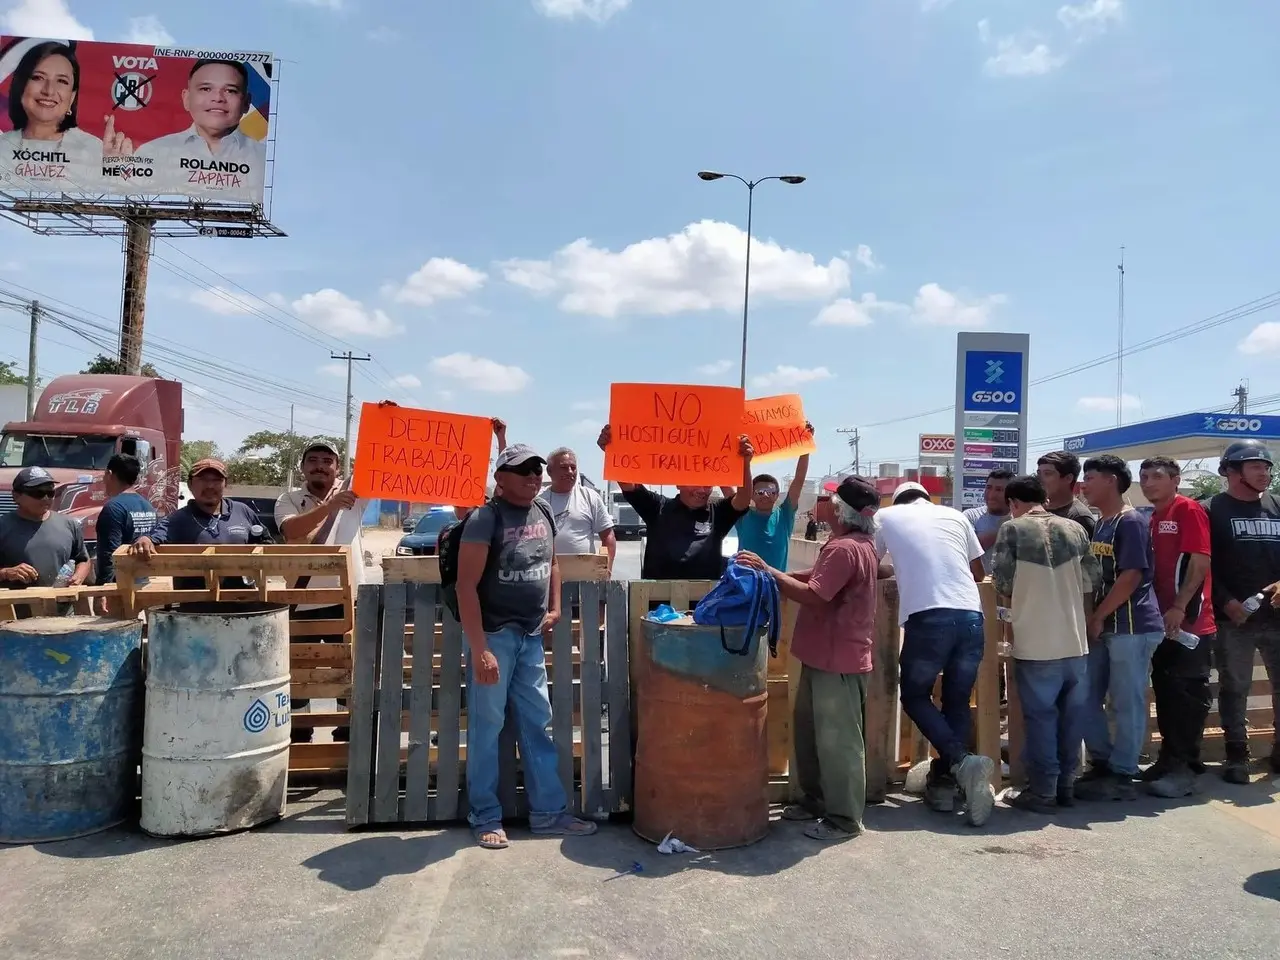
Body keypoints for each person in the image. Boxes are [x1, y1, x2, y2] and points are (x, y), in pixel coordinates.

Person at [456, 443, 597, 849]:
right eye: (523, 471)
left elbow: (551, 562)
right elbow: (466, 586)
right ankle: (484, 815)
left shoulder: (544, 511)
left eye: (537, 470)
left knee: (538, 722)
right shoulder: (484, 518)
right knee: (487, 728)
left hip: (531, 635)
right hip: (495, 637)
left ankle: (548, 813)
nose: (534, 476)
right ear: (500, 478)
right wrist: (480, 648)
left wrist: (554, 607)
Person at [737, 475, 881, 842]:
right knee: (811, 734)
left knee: (839, 743)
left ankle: (845, 818)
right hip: (826, 655)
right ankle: (815, 801)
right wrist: (777, 574)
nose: (826, 508)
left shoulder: (844, 548)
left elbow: (816, 594)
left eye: (832, 504)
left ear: (839, 510)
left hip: (838, 658)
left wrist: (767, 571)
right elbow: (818, 577)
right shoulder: (857, 544)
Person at [875, 480, 995, 826]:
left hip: (929, 618)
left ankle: (961, 761)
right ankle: (945, 783)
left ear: (898, 500)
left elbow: (870, 564)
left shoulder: (886, 516)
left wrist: (900, 570)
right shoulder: (956, 517)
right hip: (972, 616)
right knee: (956, 701)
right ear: (927, 499)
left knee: (914, 695)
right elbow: (977, 572)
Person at [991, 474, 1099, 813]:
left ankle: (1044, 791)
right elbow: (1092, 578)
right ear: (1045, 499)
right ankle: (1067, 784)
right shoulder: (1075, 529)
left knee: (1041, 719)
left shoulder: (1013, 529)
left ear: (1013, 503)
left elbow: (1002, 580)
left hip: (1036, 641)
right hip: (1075, 640)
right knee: (1071, 718)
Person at [1074, 455, 1164, 801]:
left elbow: (1131, 576)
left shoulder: (1131, 523)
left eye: (1091, 478)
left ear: (1111, 480)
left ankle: (1124, 772)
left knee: (1126, 702)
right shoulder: (1102, 523)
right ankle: (1103, 762)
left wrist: (1097, 617)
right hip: (1107, 625)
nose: (1084, 485)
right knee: (1084, 695)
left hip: (1132, 625)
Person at [275, 439, 366, 745]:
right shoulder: (288, 498)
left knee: (348, 669)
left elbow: (381, 465)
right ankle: (301, 735)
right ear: (302, 467)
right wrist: (331, 507)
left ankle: (346, 734)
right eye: (313, 460)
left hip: (347, 599)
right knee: (301, 670)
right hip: (303, 601)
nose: (320, 465)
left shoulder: (356, 492)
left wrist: (384, 419)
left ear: (337, 468)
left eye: (327, 461)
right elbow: (291, 531)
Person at [1135, 456, 1215, 797]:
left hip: (1190, 623)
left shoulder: (1188, 510)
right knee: (1166, 692)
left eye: (1157, 476)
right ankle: (1168, 760)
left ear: (1175, 479)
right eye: (1144, 477)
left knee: (1186, 694)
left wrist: (1181, 606)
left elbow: (1199, 561)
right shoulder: (1152, 516)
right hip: (1163, 621)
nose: (1149, 482)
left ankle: (1184, 769)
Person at [1204, 440, 1280, 783]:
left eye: (1266, 467)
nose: (1264, 473)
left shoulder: (1278, 506)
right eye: (1255, 466)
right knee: (1235, 687)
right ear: (1231, 472)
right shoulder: (1210, 510)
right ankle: (1237, 754)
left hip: (1277, 618)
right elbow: (1201, 566)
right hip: (1233, 619)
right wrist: (1226, 601)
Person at [595, 425, 754, 580]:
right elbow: (629, 486)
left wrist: (744, 463)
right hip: (659, 604)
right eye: (696, 483)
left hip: (704, 604)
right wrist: (613, 450)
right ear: (678, 484)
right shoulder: (658, 507)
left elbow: (743, 499)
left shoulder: (717, 513)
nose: (702, 490)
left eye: (707, 485)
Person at [130, 459, 269, 588]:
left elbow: (267, 542)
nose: (210, 486)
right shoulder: (179, 519)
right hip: (194, 607)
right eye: (202, 480)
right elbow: (153, 537)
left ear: (225, 483)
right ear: (190, 484)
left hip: (244, 604)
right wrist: (144, 540)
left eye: (217, 480)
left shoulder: (242, 511)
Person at [138, 59, 266, 198]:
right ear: (186, 99)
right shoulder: (152, 152)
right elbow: (130, 189)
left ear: (246, 103)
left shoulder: (264, 160)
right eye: (206, 89)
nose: (218, 98)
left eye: (230, 90)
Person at [0, 41, 114, 192]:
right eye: (38, 77)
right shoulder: (3, 145)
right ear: (20, 86)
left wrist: (112, 172)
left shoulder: (92, 149)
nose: (49, 91)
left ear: (72, 97)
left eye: (62, 81)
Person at [0, 466, 90, 615]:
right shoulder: (3, 527)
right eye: (38, 493)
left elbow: (83, 559)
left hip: (62, 617)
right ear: (16, 496)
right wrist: (6, 572)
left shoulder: (69, 524)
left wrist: (78, 577)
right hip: (15, 620)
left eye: (50, 492)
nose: (46, 498)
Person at [733, 425, 813, 572]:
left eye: (770, 491)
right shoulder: (742, 515)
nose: (765, 495)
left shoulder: (784, 514)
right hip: (745, 587)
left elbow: (799, 480)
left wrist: (805, 447)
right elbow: (727, 485)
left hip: (776, 588)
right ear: (751, 494)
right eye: (760, 491)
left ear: (777, 494)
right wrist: (744, 461)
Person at [543, 447, 616, 572]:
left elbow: (608, 536)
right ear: (550, 470)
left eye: (573, 467)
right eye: (564, 467)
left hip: (583, 577)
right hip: (548, 577)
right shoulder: (539, 502)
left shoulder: (590, 497)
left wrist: (606, 569)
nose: (570, 472)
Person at [95, 453, 158, 585]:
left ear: (109, 473)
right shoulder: (148, 506)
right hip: (144, 582)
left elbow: (109, 555)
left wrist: (103, 591)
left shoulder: (113, 508)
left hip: (121, 586)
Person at [963, 468, 1014, 575]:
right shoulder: (970, 516)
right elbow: (971, 548)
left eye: (999, 490)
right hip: (980, 584)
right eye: (989, 488)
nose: (992, 494)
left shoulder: (1020, 517)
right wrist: (1007, 528)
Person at [1036, 451, 1097, 536]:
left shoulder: (1079, 518)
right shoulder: (1036, 509)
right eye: (1039, 473)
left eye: (1047, 474)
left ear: (1068, 478)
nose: (1040, 479)